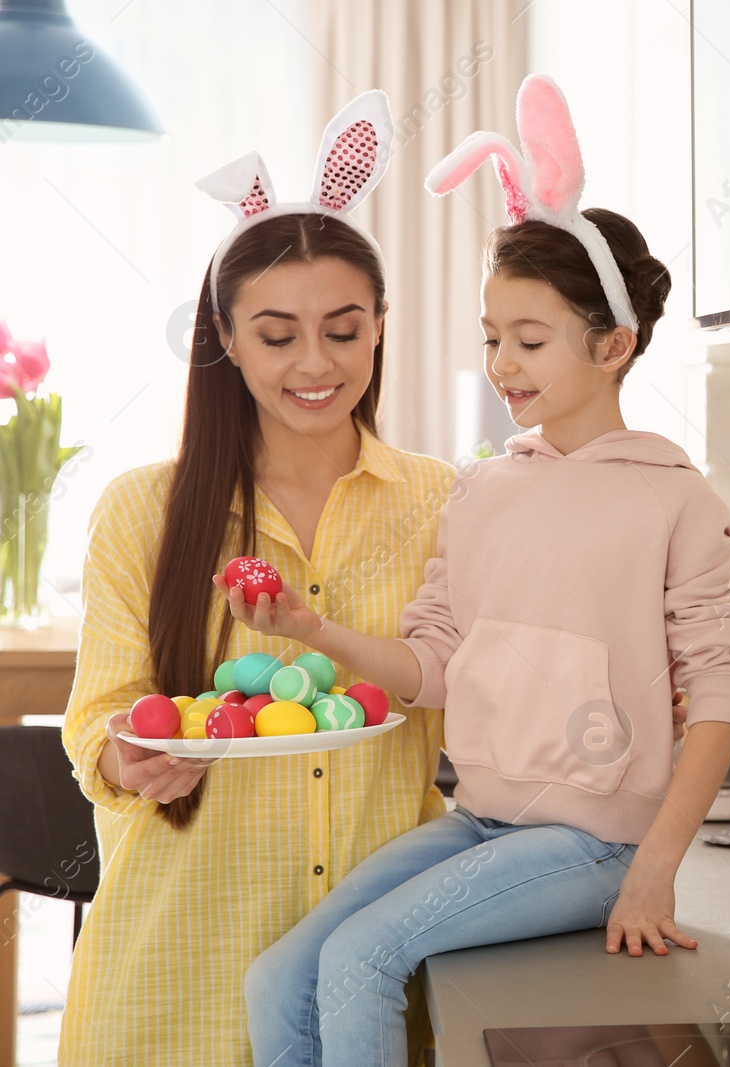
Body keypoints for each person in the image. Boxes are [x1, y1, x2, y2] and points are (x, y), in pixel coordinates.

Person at [235, 75, 730, 1067]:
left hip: (596, 847)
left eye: (528, 340)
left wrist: (654, 868)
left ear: (613, 344)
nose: (503, 365)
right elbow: (433, 662)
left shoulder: (677, 501)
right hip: (479, 819)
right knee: (278, 974)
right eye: (489, 339)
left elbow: (721, 696)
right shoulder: (480, 492)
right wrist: (309, 631)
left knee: (361, 958)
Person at [58, 93, 459, 1065]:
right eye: (277, 334)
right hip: (177, 977)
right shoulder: (143, 510)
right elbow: (97, 724)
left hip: (375, 975)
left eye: (344, 328)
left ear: (380, 327)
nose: (315, 363)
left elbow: (478, 701)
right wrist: (131, 759)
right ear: (226, 338)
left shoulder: (447, 501)